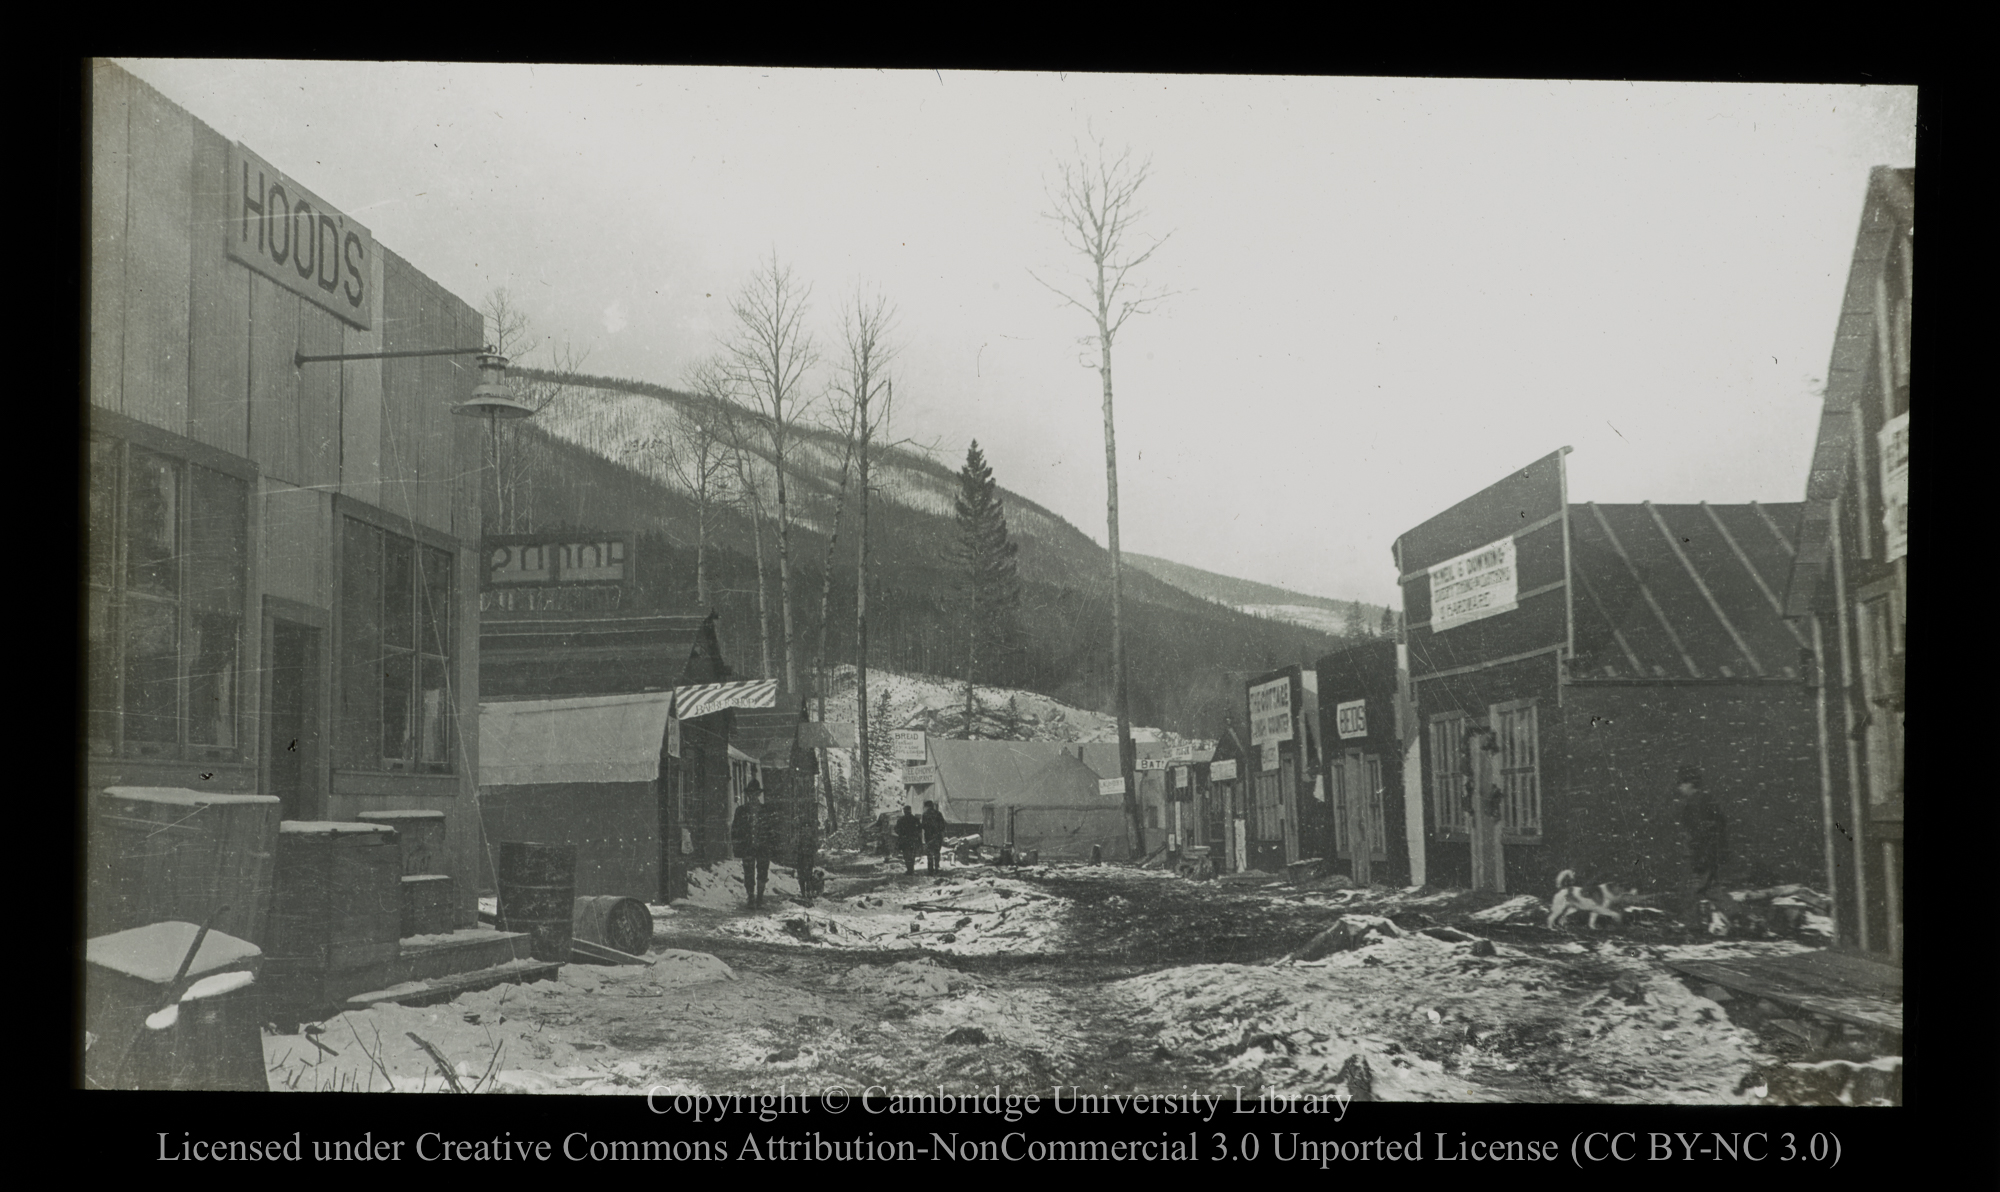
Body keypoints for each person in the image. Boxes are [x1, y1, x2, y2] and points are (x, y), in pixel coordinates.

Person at [1677, 765, 1728, 929]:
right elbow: (1717, 829)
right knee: (1712, 890)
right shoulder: (1707, 801)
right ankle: (1739, 915)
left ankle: (1691, 927)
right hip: (1709, 855)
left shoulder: (1695, 805)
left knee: (1689, 892)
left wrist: (1700, 857)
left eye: (1682, 784)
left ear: (1690, 784)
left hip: (1697, 856)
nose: (1680, 788)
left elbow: (1700, 834)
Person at [732, 782, 772, 909]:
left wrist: (771, 846)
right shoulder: (741, 811)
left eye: (755, 794)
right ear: (748, 795)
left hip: (763, 847)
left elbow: (772, 830)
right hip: (747, 847)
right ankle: (751, 897)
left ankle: (760, 898)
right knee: (748, 873)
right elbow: (735, 830)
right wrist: (738, 847)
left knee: (762, 873)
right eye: (750, 794)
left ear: (759, 795)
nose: (753, 797)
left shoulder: (766, 811)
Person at [921, 799, 947, 875]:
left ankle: (930, 869)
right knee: (937, 852)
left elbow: (923, 826)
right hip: (938, 836)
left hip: (929, 836)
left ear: (926, 806)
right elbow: (943, 826)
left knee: (929, 853)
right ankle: (937, 868)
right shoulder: (938, 814)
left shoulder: (925, 814)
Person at [895, 805, 921, 876]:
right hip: (913, 840)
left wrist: (901, 834)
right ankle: (911, 869)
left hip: (904, 840)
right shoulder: (915, 819)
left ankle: (909, 870)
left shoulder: (901, 820)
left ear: (904, 811)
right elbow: (919, 829)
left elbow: (896, 829)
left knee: (906, 855)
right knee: (912, 855)